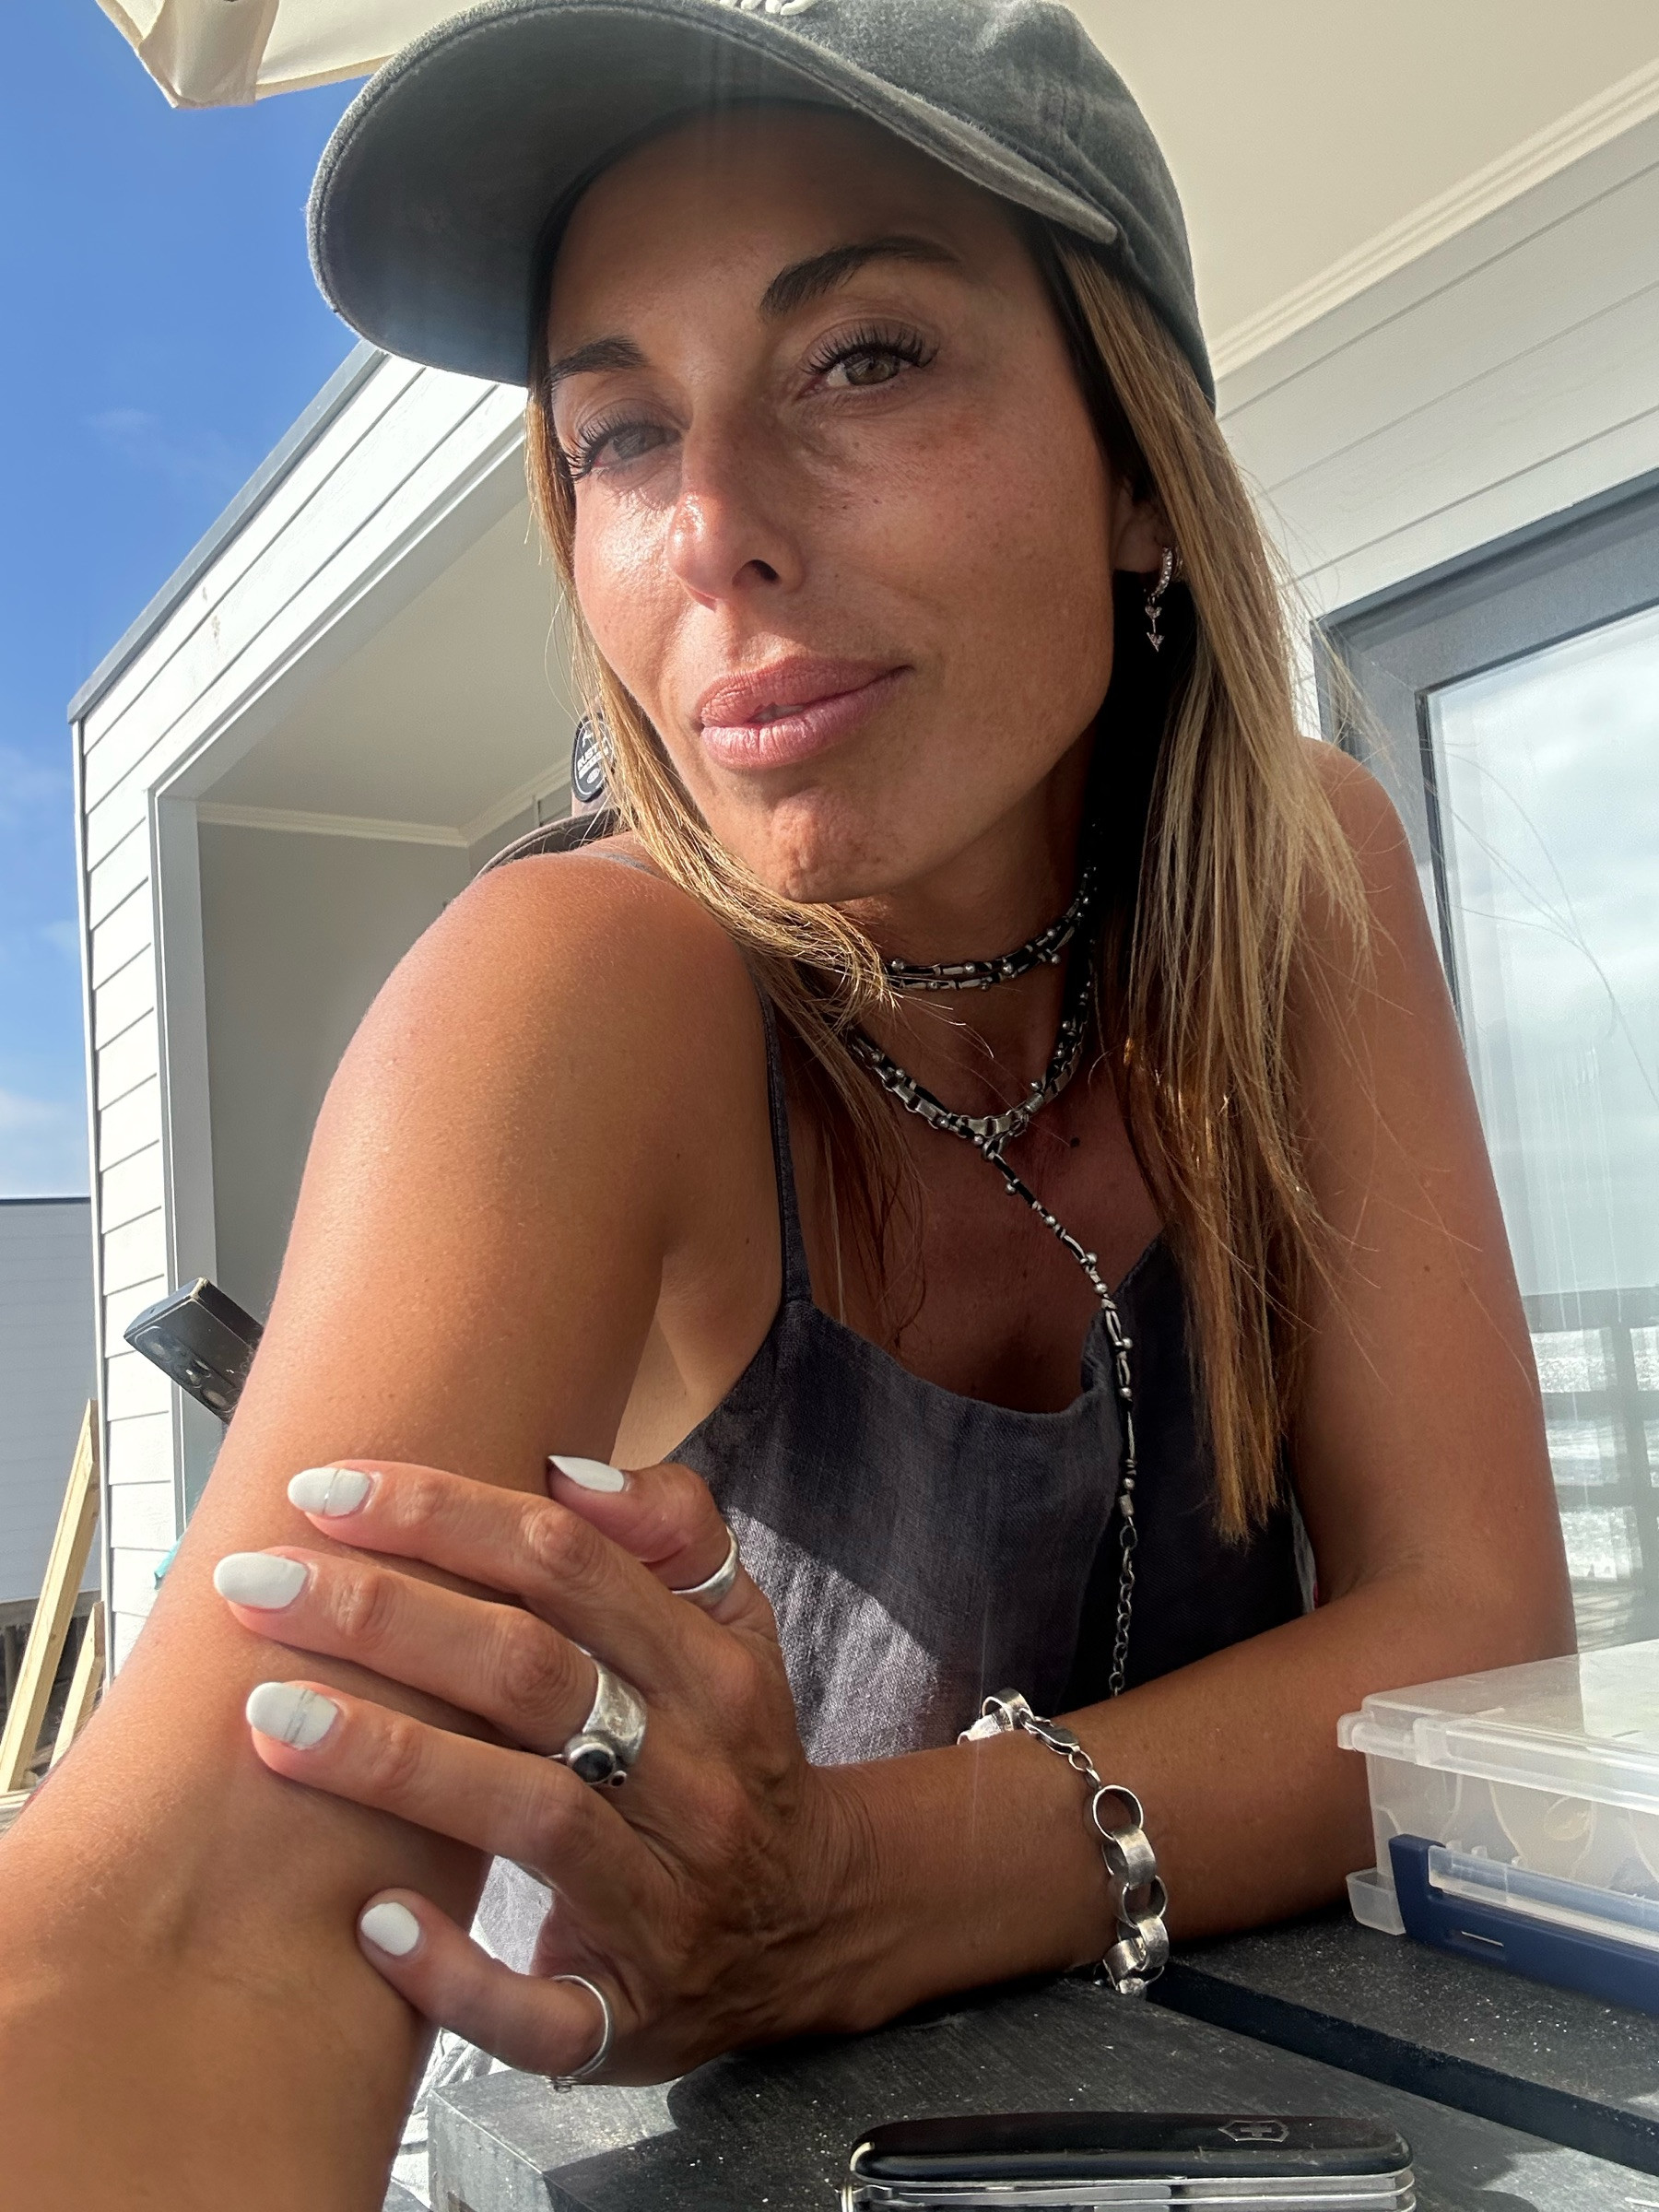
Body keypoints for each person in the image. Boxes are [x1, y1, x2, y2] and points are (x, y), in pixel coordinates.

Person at [0, 0, 1572, 2202]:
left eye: (865, 359)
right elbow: (187, 1937)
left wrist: (865, 1880)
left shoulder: (1298, 876)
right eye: (620, 434)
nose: (713, 530)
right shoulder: (571, 986)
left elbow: (1473, 1646)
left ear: (1138, 467)